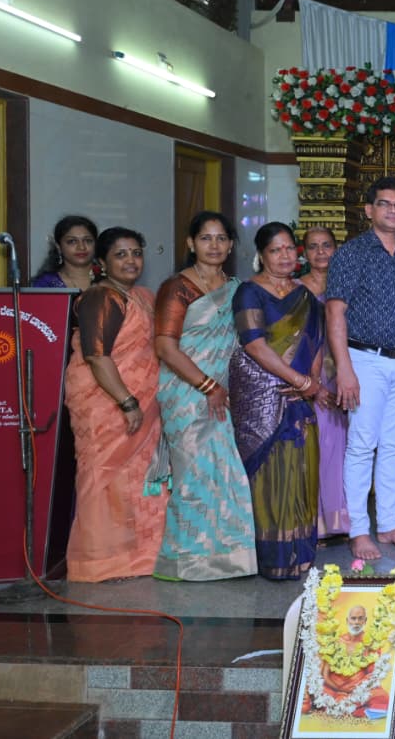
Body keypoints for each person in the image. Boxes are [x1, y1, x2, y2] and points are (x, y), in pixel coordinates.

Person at [152, 211, 258, 580]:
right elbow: (165, 346)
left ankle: (228, 560)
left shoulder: (236, 288)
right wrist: (208, 386)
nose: (214, 245)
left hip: (224, 393)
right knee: (193, 475)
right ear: (191, 243)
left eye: (221, 238)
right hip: (186, 392)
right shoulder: (177, 287)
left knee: (225, 474)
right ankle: (186, 562)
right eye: (205, 238)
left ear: (231, 245)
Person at [327, 176, 395, 561]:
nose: (393, 210)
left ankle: (389, 523)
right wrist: (345, 369)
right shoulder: (352, 254)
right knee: (362, 445)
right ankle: (358, 529)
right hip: (365, 360)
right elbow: (335, 312)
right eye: (385, 203)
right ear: (369, 210)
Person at [63, 227, 168, 581]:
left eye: (136, 253)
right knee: (104, 479)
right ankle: (100, 563)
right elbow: (96, 356)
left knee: (139, 479)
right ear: (103, 263)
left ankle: (140, 558)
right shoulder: (100, 297)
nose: (131, 261)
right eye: (120, 255)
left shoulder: (142, 296)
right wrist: (127, 402)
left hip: (143, 403)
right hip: (107, 404)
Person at [230, 222, 327, 580]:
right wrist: (297, 380)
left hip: (300, 397)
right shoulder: (249, 292)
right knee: (270, 474)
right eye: (275, 250)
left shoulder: (305, 296)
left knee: (301, 470)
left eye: (289, 248)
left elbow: (315, 342)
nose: (285, 256)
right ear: (261, 255)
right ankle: (273, 557)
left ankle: (300, 553)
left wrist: (311, 382)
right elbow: (254, 345)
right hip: (263, 395)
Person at [300, 226, 351, 538]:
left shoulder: (346, 285)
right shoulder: (295, 290)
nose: (320, 252)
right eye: (313, 246)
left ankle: (340, 520)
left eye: (327, 245)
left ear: (336, 249)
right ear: (304, 253)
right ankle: (316, 522)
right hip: (308, 380)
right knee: (317, 448)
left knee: (343, 449)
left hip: (344, 375)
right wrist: (311, 383)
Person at [301, 604, 391, 719]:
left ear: (365, 621)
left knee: (382, 697)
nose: (356, 622)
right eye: (353, 618)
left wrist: (358, 689)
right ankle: (350, 709)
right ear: (347, 620)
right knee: (317, 691)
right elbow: (324, 674)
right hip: (333, 688)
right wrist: (339, 689)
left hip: (359, 689)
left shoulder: (371, 644)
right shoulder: (336, 641)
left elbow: (372, 674)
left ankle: (347, 709)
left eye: (360, 618)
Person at [31, 215, 97, 289]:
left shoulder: (106, 279)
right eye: (72, 241)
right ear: (58, 247)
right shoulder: (45, 284)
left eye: (88, 241)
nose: (81, 247)